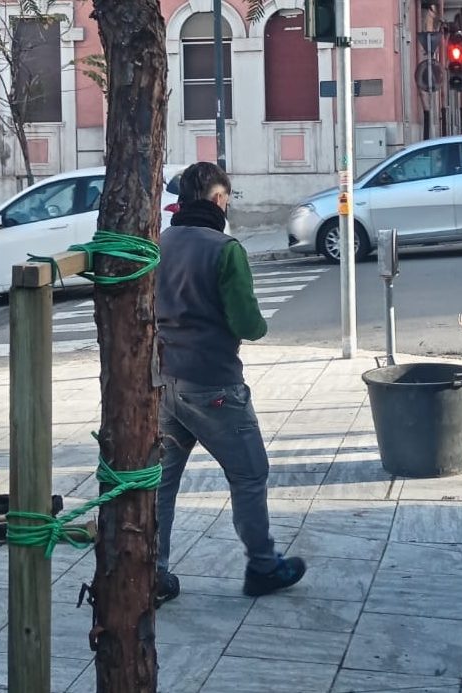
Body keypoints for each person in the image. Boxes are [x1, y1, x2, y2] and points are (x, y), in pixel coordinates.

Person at [154, 162, 306, 607]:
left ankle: (153, 570)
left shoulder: (159, 243)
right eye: (226, 197)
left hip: (164, 381)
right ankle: (262, 565)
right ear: (218, 200)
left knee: (162, 483)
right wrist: (255, 325)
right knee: (250, 473)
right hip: (214, 384)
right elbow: (248, 323)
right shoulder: (225, 249)